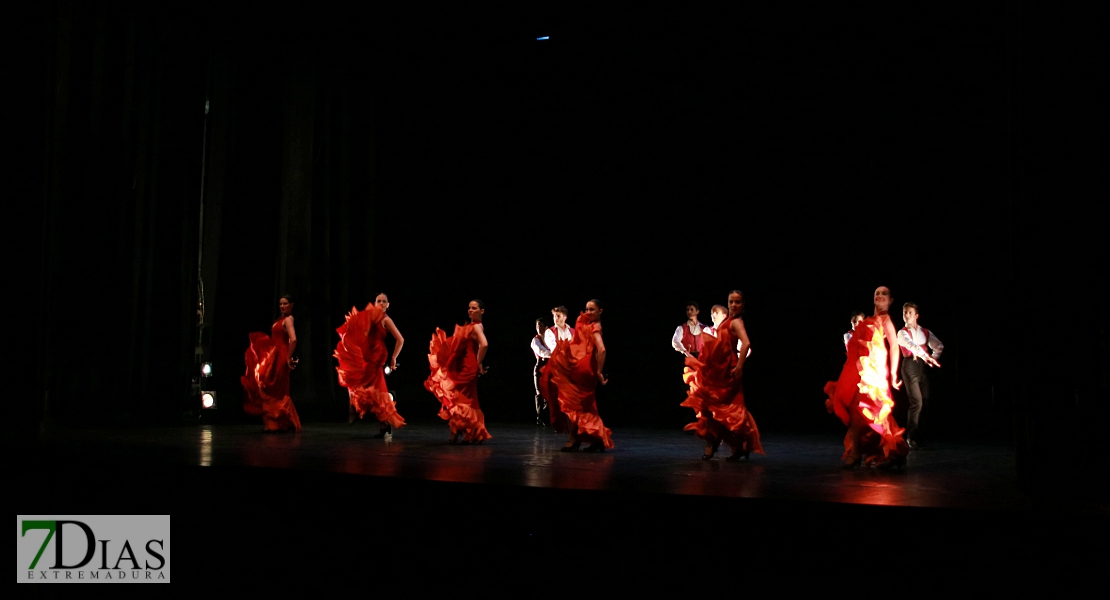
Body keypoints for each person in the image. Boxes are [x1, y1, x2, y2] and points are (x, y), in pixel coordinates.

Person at [823, 286, 910, 469]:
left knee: (876, 412)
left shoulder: (885, 320)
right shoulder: (868, 320)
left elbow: (894, 346)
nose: (880, 296)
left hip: (875, 373)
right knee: (856, 411)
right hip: (860, 373)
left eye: (884, 293)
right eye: (877, 293)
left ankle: (892, 448)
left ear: (891, 300)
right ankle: (857, 451)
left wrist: (894, 373)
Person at [680, 290, 762, 460]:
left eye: (737, 302)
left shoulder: (736, 323)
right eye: (731, 302)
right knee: (714, 409)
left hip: (728, 371)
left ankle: (728, 445)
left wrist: (739, 366)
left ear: (743, 304)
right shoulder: (729, 321)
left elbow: (746, 343)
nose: (733, 305)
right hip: (719, 370)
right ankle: (731, 446)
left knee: (725, 411)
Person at [541, 299, 613, 452]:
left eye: (592, 309)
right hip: (581, 367)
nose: (588, 312)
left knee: (572, 403)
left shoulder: (595, 327)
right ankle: (592, 439)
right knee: (582, 406)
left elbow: (602, 349)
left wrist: (599, 371)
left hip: (584, 369)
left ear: (600, 311)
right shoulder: (586, 325)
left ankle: (576, 440)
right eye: (587, 309)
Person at [334, 292, 406, 440]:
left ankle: (365, 413)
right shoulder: (368, 317)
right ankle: (381, 422)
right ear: (374, 303)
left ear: (388, 305)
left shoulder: (386, 320)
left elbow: (400, 339)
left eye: (384, 301)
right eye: (378, 300)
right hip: (366, 354)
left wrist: (394, 358)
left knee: (377, 389)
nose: (381, 303)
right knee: (357, 378)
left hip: (376, 356)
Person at [425, 299, 491, 443]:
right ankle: (470, 432)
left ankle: (457, 432)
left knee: (457, 399)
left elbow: (484, 344)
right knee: (466, 400)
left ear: (482, 311)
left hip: (467, 368)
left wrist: (478, 362)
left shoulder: (476, 327)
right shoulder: (475, 326)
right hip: (465, 366)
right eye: (469, 308)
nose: (470, 310)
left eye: (474, 308)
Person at [241, 294, 302, 432]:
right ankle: (277, 422)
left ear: (291, 305)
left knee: (276, 387)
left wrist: (288, 357)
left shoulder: (288, 320)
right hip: (274, 356)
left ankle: (279, 422)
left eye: (285, 303)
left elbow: (293, 339)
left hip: (281, 356)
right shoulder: (281, 320)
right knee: (268, 384)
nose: (282, 306)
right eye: (280, 304)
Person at [897, 302, 943, 450]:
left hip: (922, 368)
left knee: (925, 401)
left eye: (909, 312)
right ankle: (911, 437)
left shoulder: (925, 332)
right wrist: (926, 356)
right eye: (904, 312)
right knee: (917, 402)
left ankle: (920, 436)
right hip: (909, 365)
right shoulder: (902, 333)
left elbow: (939, 346)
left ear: (916, 316)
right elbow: (912, 346)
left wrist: (933, 357)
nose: (906, 315)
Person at [542, 306, 576, 431]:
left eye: (558, 316)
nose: (555, 319)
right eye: (554, 316)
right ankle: (560, 424)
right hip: (557, 366)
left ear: (565, 317)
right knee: (556, 396)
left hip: (570, 366)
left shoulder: (572, 331)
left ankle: (571, 423)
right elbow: (554, 348)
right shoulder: (550, 332)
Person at [530, 318, 552, 426]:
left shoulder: (551, 339)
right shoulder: (536, 340)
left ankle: (547, 417)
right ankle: (540, 417)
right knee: (540, 393)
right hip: (540, 367)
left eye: (541, 325)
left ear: (546, 327)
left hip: (551, 367)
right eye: (537, 326)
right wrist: (554, 354)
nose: (539, 328)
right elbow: (541, 351)